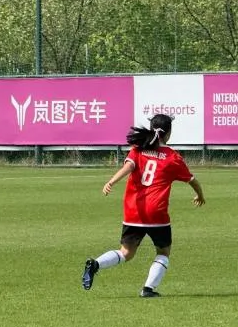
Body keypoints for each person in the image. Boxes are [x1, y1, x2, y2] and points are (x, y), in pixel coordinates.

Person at [81, 114, 205, 297]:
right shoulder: (172, 157)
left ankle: (96, 264)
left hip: (133, 210)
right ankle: (148, 289)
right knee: (163, 252)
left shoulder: (138, 150)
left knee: (126, 253)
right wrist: (199, 194)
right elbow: (192, 180)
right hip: (156, 212)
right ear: (169, 133)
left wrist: (111, 182)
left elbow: (128, 168)